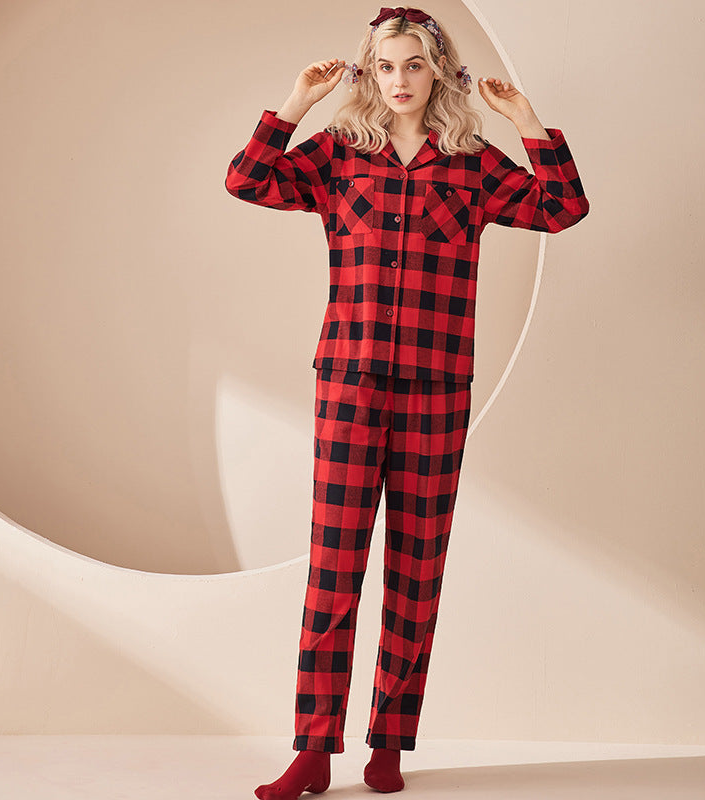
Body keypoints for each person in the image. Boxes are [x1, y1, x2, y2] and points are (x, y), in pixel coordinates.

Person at [224, 6, 589, 799]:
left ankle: (388, 743)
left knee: (416, 571)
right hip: (349, 387)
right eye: (386, 66)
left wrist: (526, 121)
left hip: (436, 392)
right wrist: (296, 103)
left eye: (414, 65)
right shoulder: (336, 155)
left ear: (439, 72)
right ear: (368, 71)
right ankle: (314, 749)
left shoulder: (472, 165)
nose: (399, 81)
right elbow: (246, 179)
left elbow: (562, 208)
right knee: (333, 570)